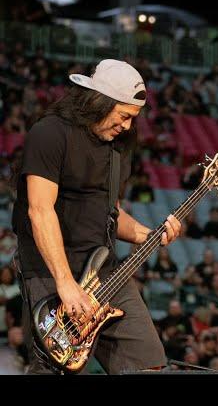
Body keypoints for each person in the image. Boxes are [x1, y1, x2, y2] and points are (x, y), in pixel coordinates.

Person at [10, 59, 182, 374]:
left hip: (105, 273)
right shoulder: (49, 133)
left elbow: (109, 213)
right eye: (123, 116)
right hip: (52, 271)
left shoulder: (119, 146)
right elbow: (39, 209)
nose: (128, 126)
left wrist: (149, 234)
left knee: (151, 366)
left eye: (133, 118)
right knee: (54, 369)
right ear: (97, 103)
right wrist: (65, 283)